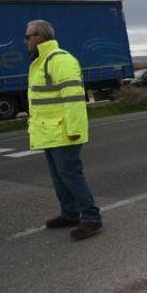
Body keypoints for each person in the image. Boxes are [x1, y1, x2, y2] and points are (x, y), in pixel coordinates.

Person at [25, 19, 102, 241]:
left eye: (28, 36)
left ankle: (92, 219)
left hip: (64, 131)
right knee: (59, 177)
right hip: (48, 131)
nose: (26, 41)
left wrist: (75, 129)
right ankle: (70, 214)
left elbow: (74, 99)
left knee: (71, 175)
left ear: (40, 37)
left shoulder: (60, 60)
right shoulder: (41, 61)